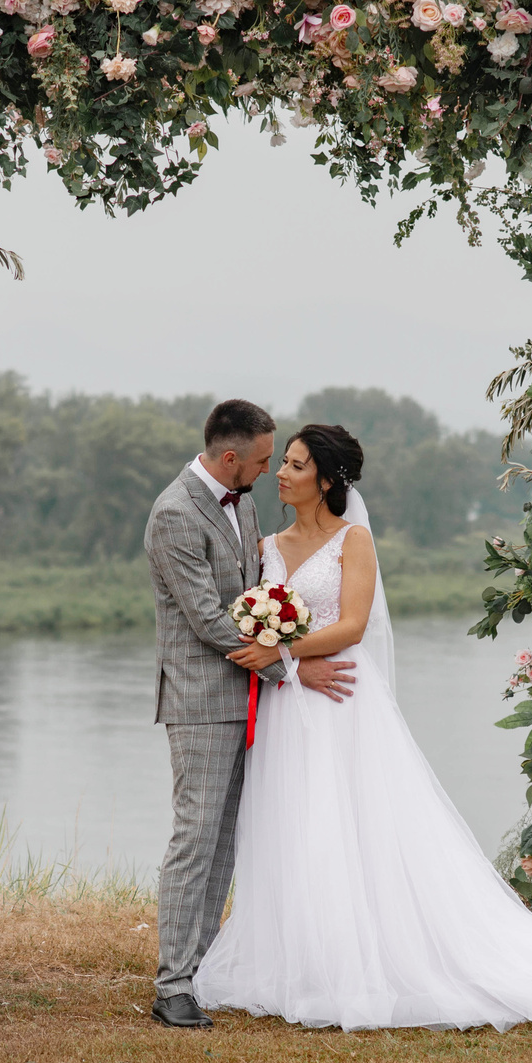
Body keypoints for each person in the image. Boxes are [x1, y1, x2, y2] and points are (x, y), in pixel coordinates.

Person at [194, 424, 532, 1032]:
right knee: (295, 816)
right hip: (292, 701)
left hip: (342, 697)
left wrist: (285, 655)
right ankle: (298, 957)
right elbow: (261, 622)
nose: (281, 473)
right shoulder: (268, 545)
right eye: (281, 462)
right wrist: (288, 665)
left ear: (327, 479)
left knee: (352, 818)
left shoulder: (353, 539)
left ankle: (367, 958)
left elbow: (354, 625)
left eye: (296, 465)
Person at [141, 400, 356, 1030]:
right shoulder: (175, 514)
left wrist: (281, 653)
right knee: (195, 840)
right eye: (263, 461)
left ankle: (200, 969)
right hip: (203, 703)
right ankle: (172, 986)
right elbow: (210, 618)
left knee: (226, 843)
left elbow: (252, 597)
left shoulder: (243, 500)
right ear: (230, 457)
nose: (268, 472)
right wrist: (291, 666)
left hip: (251, 698)